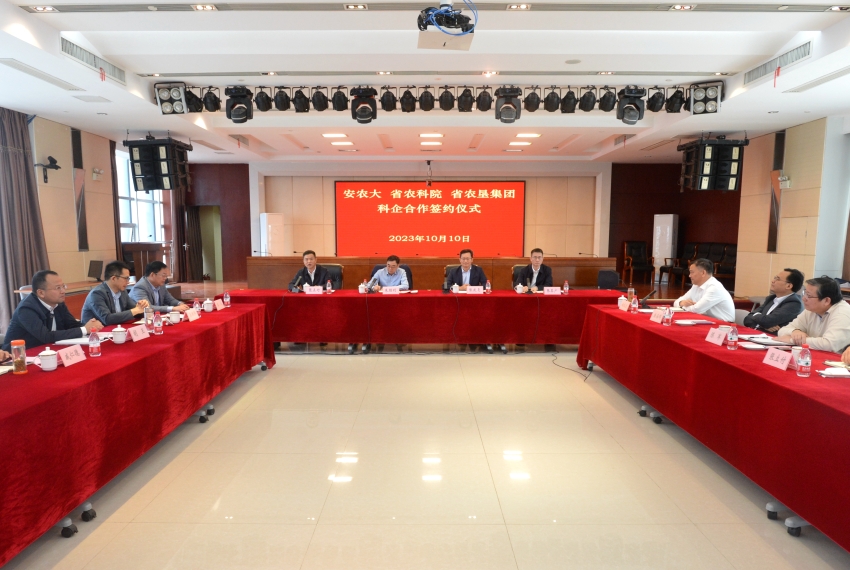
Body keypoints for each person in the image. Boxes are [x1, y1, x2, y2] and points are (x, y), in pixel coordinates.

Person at [2, 270, 103, 351]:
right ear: (41, 293)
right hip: (19, 357)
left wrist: (91, 326)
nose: (63, 291)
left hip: (47, 350)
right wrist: (84, 329)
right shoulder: (26, 309)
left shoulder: (58, 303)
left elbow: (72, 325)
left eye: (63, 286)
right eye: (58, 288)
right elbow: (46, 336)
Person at [777, 277, 850, 352]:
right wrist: (795, 331)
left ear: (826, 300)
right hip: (812, 354)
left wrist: (791, 340)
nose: (804, 298)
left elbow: (829, 344)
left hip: (835, 358)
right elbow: (782, 331)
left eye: (809, 296)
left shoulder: (842, 313)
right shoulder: (811, 310)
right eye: (805, 293)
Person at [81, 260, 149, 325]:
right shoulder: (97, 294)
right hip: (96, 331)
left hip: (116, 328)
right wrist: (136, 310)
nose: (128, 282)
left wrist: (143, 307)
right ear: (113, 278)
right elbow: (107, 319)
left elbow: (135, 311)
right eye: (126, 278)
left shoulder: (122, 292)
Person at [673, 258, 735, 322]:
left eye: (692, 272)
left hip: (724, 324)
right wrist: (681, 303)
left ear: (703, 273)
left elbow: (696, 310)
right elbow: (676, 302)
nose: (689, 276)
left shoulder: (715, 288)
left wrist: (682, 307)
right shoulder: (696, 285)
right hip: (707, 321)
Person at [743, 269, 804, 333]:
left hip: (774, 338)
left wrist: (755, 315)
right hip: (758, 335)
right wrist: (762, 325)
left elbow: (767, 321)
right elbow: (747, 319)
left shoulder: (794, 303)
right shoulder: (771, 298)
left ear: (788, 286)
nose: (773, 281)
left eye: (777, 279)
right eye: (775, 278)